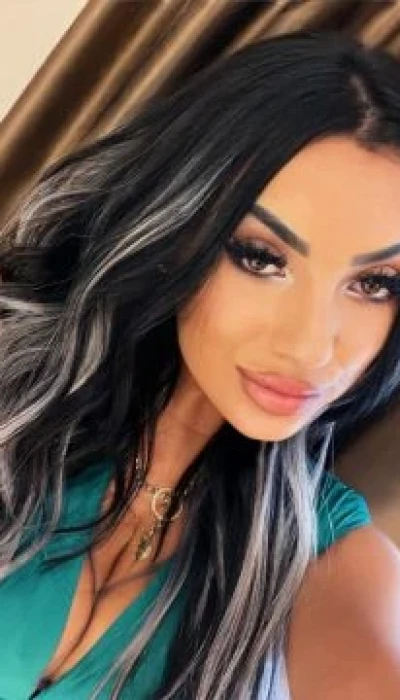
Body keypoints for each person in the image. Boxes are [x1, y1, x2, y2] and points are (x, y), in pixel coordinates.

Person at [0, 28, 400, 700]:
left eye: (376, 283)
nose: (309, 346)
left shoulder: (327, 555)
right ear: (179, 230)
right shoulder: (15, 395)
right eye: (261, 257)